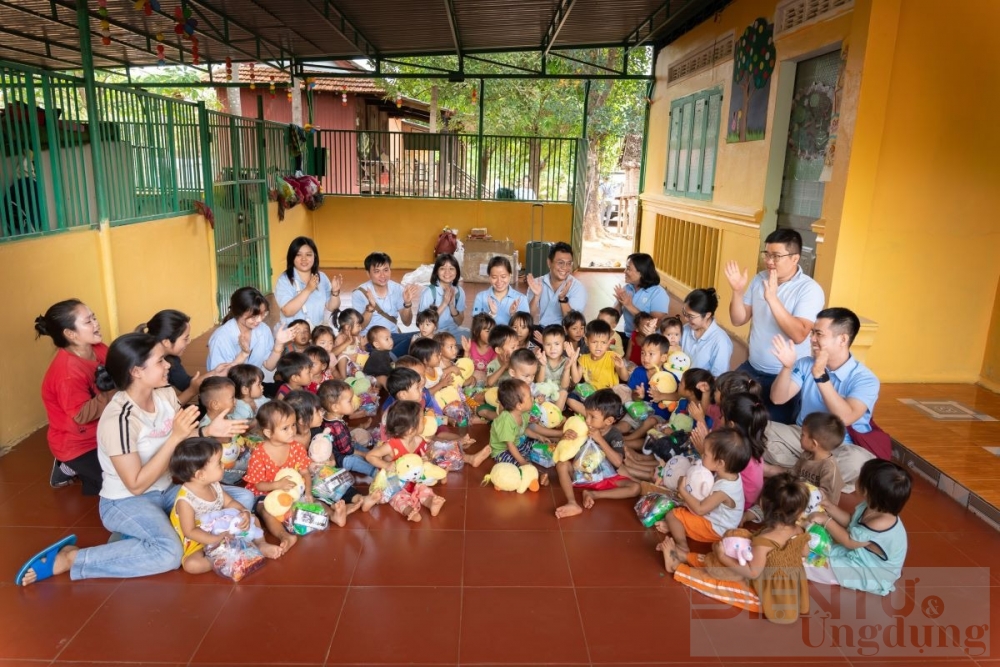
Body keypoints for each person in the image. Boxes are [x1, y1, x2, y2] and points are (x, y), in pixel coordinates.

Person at [17, 333, 251, 586]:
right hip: (126, 501)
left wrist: (207, 432)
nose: (168, 365)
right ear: (137, 371)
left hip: (166, 491)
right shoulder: (119, 418)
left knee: (243, 499)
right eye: (160, 361)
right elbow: (136, 484)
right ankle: (75, 559)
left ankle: (141, 536)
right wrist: (175, 438)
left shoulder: (165, 396)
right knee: (169, 554)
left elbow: (183, 440)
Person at [673, 473, 811, 624]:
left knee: (721, 585)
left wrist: (723, 558)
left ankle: (678, 568)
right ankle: (686, 556)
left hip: (770, 598)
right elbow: (805, 552)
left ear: (762, 504)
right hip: (791, 589)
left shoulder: (764, 541)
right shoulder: (799, 531)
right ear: (799, 512)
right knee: (725, 567)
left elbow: (752, 573)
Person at [766, 307, 879, 491]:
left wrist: (820, 377)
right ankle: (817, 478)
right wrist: (787, 368)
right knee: (759, 431)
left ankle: (785, 472)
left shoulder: (865, 379)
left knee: (859, 463)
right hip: (803, 440)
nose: (812, 339)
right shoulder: (804, 364)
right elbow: (778, 398)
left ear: (842, 339)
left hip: (841, 447)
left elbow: (845, 417)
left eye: (818, 334)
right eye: (812, 333)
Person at [724, 229, 825, 423]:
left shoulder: (809, 289)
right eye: (767, 254)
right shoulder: (759, 279)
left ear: (795, 258)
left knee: (770, 432)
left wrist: (772, 298)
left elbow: (799, 334)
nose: (769, 261)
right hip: (752, 368)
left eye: (776, 256)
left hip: (786, 378)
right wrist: (737, 291)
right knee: (731, 414)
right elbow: (738, 319)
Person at [167, 438, 282, 574]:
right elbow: (190, 531)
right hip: (200, 538)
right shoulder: (185, 500)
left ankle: (260, 544)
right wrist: (216, 539)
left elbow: (230, 502)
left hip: (221, 527)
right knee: (192, 565)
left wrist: (243, 511)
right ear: (201, 475)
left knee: (253, 519)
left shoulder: (214, 485)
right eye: (218, 463)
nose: (223, 465)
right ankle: (223, 558)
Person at [36, 299, 111, 495]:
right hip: (80, 444)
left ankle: (76, 468)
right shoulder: (67, 373)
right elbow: (82, 415)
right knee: (116, 483)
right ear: (70, 334)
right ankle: (68, 466)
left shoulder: (99, 348)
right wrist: (108, 391)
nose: (96, 323)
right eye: (88, 321)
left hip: (105, 429)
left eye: (94, 317)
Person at [806, 459, 911, 596]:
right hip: (861, 555)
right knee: (822, 546)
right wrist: (828, 506)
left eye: (860, 477)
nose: (857, 479)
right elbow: (851, 521)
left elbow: (850, 542)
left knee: (813, 565)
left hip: (871, 571)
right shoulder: (873, 505)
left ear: (867, 491)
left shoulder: (880, 523)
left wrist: (826, 520)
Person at [655, 428, 750, 567]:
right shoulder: (729, 472)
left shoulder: (724, 490)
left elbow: (700, 510)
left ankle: (682, 547)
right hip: (716, 519)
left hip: (717, 529)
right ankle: (680, 528)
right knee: (683, 508)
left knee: (672, 515)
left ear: (720, 464)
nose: (702, 456)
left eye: (705, 454)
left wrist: (683, 491)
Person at [243, 400, 313, 551]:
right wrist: (277, 485)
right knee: (266, 511)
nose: (292, 431)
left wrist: (307, 493)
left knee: (313, 498)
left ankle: (333, 514)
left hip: (292, 490)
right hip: (264, 493)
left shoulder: (296, 447)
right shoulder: (259, 453)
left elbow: (305, 473)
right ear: (268, 433)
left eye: (293, 425)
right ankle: (284, 536)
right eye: (285, 428)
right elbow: (258, 484)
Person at [362, 400, 447, 522]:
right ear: (410, 430)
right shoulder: (392, 445)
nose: (425, 421)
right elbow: (370, 456)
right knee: (398, 497)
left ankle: (431, 503)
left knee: (423, 489)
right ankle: (409, 511)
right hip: (394, 483)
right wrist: (386, 464)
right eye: (422, 419)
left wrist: (425, 459)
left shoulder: (418, 440)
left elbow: (423, 456)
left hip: (412, 480)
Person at [555, 389, 627, 519]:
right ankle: (572, 503)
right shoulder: (583, 427)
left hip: (605, 478)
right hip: (580, 474)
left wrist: (599, 439)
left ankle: (593, 495)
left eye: (592, 417)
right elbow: (566, 450)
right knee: (561, 465)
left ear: (609, 421)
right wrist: (566, 436)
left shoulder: (615, 435)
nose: (587, 420)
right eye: (586, 415)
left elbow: (617, 462)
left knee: (635, 488)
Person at [140, 309, 228, 405]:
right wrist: (192, 391)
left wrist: (214, 373)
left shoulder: (171, 360)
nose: (189, 341)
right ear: (166, 342)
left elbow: (185, 384)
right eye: (185, 338)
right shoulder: (144, 365)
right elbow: (161, 411)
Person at [762, 412, 845, 508]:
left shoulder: (829, 469)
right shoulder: (806, 455)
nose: (800, 437)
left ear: (814, 443)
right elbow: (793, 474)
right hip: (799, 498)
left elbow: (828, 502)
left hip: (816, 509)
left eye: (802, 435)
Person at [207, 287, 293, 373]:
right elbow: (219, 378)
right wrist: (242, 355)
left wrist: (278, 344)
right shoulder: (221, 338)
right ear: (238, 313)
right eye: (253, 316)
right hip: (229, 385)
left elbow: (269, 366)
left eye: (263, 314)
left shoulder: (263, 329)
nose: (259, 320)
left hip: (253, 383)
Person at [352, 252, 420, 359]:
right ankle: (390, 358)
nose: (383, 275)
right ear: (368, 273)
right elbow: (360, 326)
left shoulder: (398, 289)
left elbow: (407, 322)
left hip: (392, 337)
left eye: (386, 270)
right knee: (412, 343)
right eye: (377, 271)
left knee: (422, 336)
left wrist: (407, 303)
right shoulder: (360, 293)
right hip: (371, 340)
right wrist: (370, 308)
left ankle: (387, 358)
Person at [274, 236, 342, 328]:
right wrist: (308, 289)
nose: (304, 259)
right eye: (298, 255)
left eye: (308, 255)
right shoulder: (284, 280)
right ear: (292, 257)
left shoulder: (321, 278)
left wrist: (335, 293)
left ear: (315, 256)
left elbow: (332, 307)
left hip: (316, 334)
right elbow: (287, 311)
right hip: (292, 335)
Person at [567, 319, 629, 414]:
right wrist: (573, 361)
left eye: (603, 342)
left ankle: (594, 415)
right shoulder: (583, 358)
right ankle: (591, 416)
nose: (599, 346)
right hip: (590, 395)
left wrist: (622, 367)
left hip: (607, 397)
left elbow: (625, 377)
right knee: (570, 399)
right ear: (586, 341)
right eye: (595, 342)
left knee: (612, 405)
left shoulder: (612, 356)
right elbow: (575, 380)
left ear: (608, 342)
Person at [317, 380, 376, 478]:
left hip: (341, 448)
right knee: (354, 461)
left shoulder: (331, 417)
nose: (354, 401)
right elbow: (347, 451)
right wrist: (363, 455)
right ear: (335, 407)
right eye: (350, 401)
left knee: (357, 446)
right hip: (337, 459)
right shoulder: (337, 427)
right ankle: (375, 472)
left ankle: (373, 457)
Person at [526, 242, 587, 328]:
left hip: (564, 335)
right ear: (549, 263)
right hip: (541, 330)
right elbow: (529, 317)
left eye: (569, 263)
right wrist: (536, 296)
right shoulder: (537, 283)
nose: (565, 267)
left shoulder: (578, 288)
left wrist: (562, 300)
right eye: (560, 263)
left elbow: (573, 324)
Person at [613, 253, 670, 337]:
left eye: (628, 269)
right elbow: (613, 319)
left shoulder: (658, 293)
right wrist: (619, 302)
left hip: (648, 340)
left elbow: (655, 324)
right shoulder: (627, 288)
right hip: (629, 336)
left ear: (641, 273)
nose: (624, 271)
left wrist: (629, 305)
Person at [679, 288, 733, 377]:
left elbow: (717, 377)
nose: (686, 319)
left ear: (707, 315)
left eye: (691, 316)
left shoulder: (721, 342)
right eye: (685, 313)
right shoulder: (686, 329)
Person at [417, 253, 469, 340]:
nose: (447, 272)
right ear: (436, 272)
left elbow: (459, 322)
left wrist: (452, 305)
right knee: (443, 346)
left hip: (452, 331)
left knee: (473, 338)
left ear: (457, 271)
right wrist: (444, 304)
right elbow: (423, 324)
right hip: (433, 333)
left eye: (451, 268)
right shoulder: (429, 292)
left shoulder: (459, 292)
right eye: (442, 268)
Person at [472, 256, 530, 327]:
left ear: (510, 276)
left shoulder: (521, 298)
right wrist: (491, 315)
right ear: (489, 278)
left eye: (503, 276)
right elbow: (476, 326)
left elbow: (525, 329)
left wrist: (513, 315)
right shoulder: (481, 297)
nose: (499, 281)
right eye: (494, 277)